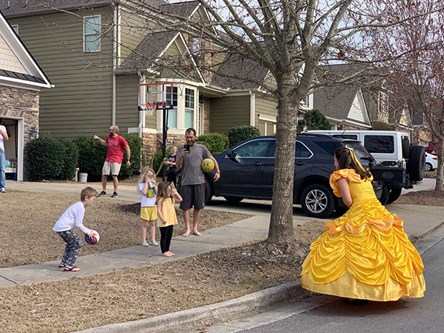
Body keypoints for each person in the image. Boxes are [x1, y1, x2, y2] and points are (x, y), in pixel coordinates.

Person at [301, 146, 426, 302]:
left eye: (334, 159)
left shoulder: (341, 175)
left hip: (360, 209)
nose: (333, 163)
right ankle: (385, 288)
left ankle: (356, 292)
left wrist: (349, 208)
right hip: (376, 209)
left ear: (339, 161)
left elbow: (347, 200)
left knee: (351, 244)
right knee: (384, 245)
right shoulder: (364, 175)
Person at [175, 128, 221, 237]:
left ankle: (195, 228)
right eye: (187, 137)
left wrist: (218, 171)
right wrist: (182, 156)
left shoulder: (201, 148)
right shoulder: (181, 149)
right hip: (185, 182)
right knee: (185, 207)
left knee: (198, 206)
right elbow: (177, 166)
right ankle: (187, 229)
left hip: (199, 181)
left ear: (195, 137)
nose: (189, 139)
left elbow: (212, 159)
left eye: (191, 137)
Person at [52, 187, 99, 272]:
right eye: (93, 199)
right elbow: (78, 224)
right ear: (86, 198)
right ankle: (70, 265)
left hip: (60, 227)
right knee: (78, 243)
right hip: (63, 228)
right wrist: (88, 232)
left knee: (71, 243)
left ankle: (64, 262)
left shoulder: (78, 205)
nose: (93, 201)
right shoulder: (80, 207)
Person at [94, 125, 131, 198]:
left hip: (117, 159)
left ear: (115, 130)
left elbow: (127, 148)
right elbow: (105, 143)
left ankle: (115, 192)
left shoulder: (120, 139)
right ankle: (104, 191)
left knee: (114, 176)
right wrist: (98, 138)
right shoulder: (109, 138)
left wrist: (128, 160)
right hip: (108, 159)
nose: (109, 131)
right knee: (104, 175)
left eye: (110, 129)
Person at [156, 181, 183, 257]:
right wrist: (162, 219)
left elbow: (180, 200)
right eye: (168, 191)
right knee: (164, 236)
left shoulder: (171, 198)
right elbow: (158, 210)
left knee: (169, 235)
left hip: (170, 219)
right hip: (164, 220)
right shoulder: (161, 200)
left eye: (170, 191)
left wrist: (176, 193)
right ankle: (164, 250)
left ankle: (167, 249)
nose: (169, 192)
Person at [138, 166, 158, 246]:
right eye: (148, 176)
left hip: (153, 206)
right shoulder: (141, 184)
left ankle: (153, 239)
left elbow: (157, 193)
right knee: (145, 224)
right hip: (145, 206)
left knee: (153, 223)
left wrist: (154, 184)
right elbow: (145, 192)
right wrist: (146, 182)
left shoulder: (153, 184)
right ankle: (143, 240)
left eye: (151, 176)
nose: (150, 178)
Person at [0, 124, 9, 193]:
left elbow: (6, 138)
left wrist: (1, 132)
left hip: (1, 150)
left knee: (2, 169)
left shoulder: (2, 127)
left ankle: (2, 187)